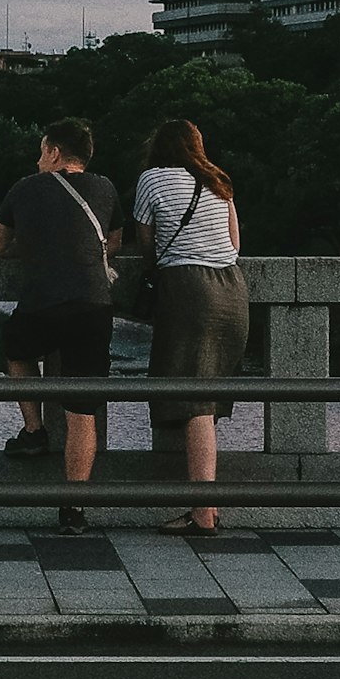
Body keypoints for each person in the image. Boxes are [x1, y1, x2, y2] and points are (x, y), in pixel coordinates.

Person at [0, 117, 117, 531]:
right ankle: (74, 508)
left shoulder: (25, 188)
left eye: (42, 150)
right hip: (94, 305)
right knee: (83, 410)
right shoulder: (106, 188)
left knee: (17, 352)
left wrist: (39, 247)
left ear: (55, 152)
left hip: (42, 302)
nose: (37, 158)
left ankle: (34, 428)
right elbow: (112, 243)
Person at [125, 117, 247, 537]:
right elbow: (234, 245)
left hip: (189, 289)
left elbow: (146, 243)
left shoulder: (152, 179)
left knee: (195, 403)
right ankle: (204, 506)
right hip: (233, 291)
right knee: (204, 400)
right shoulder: (219, 181)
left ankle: (203, 512)